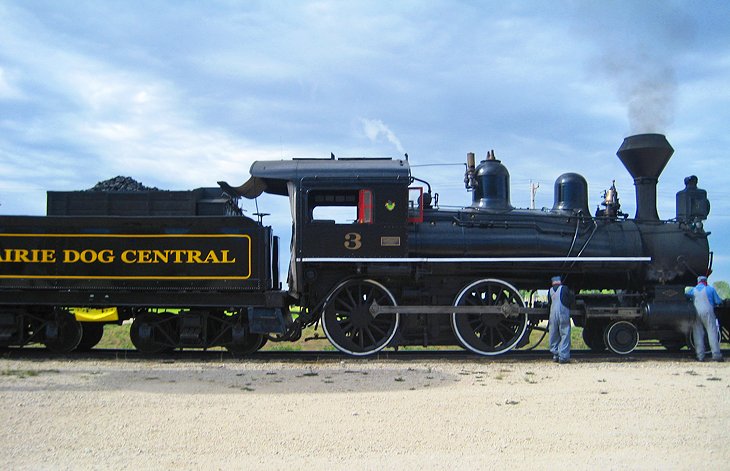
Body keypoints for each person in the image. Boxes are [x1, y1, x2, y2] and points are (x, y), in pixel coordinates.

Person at [687, 275, 724, 362]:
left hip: (695, 313)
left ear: (698, 282)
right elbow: (718, 301)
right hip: (708, 312)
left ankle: (700, 356)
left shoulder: (692, 290)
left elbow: (686, 295)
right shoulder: (710, 289)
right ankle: (716, 355)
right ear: (705, 281)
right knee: (712, 332)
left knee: (697, 334)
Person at [547, 276, 574, 364]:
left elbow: (549, 303)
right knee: (565, 333)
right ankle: (563, 356)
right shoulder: (564, 288)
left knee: (553, 333)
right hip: (563, 313)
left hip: (552, 314)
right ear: (560, 282)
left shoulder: (550, 290)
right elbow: (571, 300)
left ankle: (555, 354)